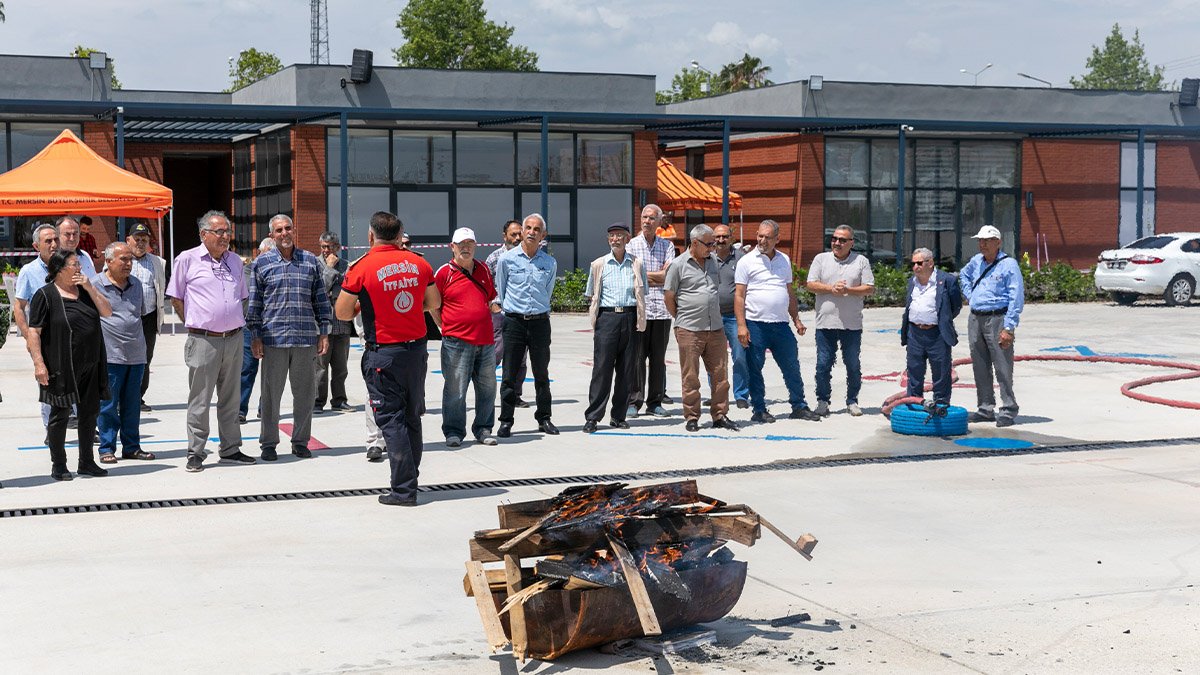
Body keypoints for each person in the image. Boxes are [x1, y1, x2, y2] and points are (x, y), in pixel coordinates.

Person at [336, 211, 439, 506]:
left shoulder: (362, 267)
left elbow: (342, 313)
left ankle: (404, 490)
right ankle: (411, 479)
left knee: (391, 421)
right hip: (416, 350)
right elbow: (433, 303)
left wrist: (364, 308)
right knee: (411, 417)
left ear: (371, 236)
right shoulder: (419, 262)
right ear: (400, 235)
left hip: (384, 353)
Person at [166, 210, 255, 472]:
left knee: (231, 397)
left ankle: (231, 449)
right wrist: (194, 324)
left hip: (234, 339)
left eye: (227, 231)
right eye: (219, 232)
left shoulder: (236, 262)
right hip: (203, 340)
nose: (225, 236)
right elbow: (176, 297)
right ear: (203, 234)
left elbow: (242, 297)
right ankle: (195, 451)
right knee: (200, 399)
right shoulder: (187, 259)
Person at [247, 214, 331, 462]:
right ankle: (269, 443)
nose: (284, 233)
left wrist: (323, 332)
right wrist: (255, 336)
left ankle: (300, 441)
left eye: (288, 228)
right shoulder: (262, 264)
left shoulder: (310, 262)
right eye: (279, 230)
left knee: (305, 394)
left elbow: (321, 300)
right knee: (271, 395)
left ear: (294, 231)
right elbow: (255, 304)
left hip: (305, 338)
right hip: (274, 339)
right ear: (271, 235)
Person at [25, 250, 114, 481]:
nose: (79, 269)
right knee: (60, 415)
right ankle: (59, 465)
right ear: (59, 269)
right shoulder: (45, 295)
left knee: (89, 415)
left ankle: (86, 462)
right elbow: (34, 331)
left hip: (91, 364)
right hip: (61, 366)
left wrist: (90, 288)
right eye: (74, 265)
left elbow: (107, 311)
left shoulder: (85, 292)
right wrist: (39, 364)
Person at [735, 220, 822, 423]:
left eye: (767, 237)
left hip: (781, 325)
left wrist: (796, 319)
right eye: (760, 236)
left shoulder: (784, 259)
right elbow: (739, 295)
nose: (762, 240)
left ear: (777, 239)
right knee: (755, 368)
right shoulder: (746, 262)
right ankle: (759, 409)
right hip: (755, 324)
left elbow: (789, 292)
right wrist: (741, 325)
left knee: (792, 365)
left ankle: (799, 406)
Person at [664, 225, 740, 433]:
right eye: (709, 244)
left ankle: (720, 415)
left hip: (715, 327)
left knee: (720, 375)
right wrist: (681, 318)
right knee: (690, 376)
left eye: (714, 243)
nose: (713, 247)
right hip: (689, 329)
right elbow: (669, 297)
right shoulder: (678, 265)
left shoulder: (713, 261)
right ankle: (692, 416)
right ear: (694, 243)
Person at [431, 227, 499, 447]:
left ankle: (484, 429)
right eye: (461, 244)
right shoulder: (443, 273)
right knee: (455, 389)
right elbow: (432, 305)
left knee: (488, 388)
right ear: (452, 247)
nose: (466, 248)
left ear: (476, 246)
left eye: (470, 244)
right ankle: (453, 431)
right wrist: (443, 326)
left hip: (485, 340)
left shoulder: (484, 269)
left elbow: (490, 298)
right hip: (456, 342)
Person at [493, 213, 558, 438]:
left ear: (543, 235)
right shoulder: (507, 260)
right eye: (528, 228)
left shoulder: (549, 263)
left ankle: (544, 418)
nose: (531, 232)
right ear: (522, 232)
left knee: (541, 373)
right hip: (514, 322)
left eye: (536, 229)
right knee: (509, 374)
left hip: (540, 323)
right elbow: (501, 290)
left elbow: (547, 293)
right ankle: (506, 421)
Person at [582, 222, 647, 434]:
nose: (615, 239)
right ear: (608, 239)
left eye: (620, 235)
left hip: (629, 317)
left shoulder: (637, 264)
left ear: (627, 239)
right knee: (601, 369)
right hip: (607, 318)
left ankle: (618, 416)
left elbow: (642, 292)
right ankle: (593, 416)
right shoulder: (598, 264)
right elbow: (591, 293)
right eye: (612, 236)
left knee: (627, 370)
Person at [93, 243, 155, 463]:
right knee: (108, 405)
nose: (129, 264)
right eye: (124, 260)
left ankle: (131, 447)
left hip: (136, 354)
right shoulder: (95, 286)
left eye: (130, 259)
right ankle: (106, 448)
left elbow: (140, 314)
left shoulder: (136, 284)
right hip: (110, 356)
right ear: (108, 261)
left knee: (132, 404)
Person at [805, 224, 875, 417]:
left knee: (852, 364)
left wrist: (848, 291)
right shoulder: (821, 259)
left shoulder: (861, 261)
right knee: (823, 364)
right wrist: (831, 289)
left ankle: (852, 401)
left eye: (842, 240)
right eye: (834, 238)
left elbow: (869, 288)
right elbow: (810, 284)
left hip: (851, 324)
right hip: (825, 323)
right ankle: (822, 401)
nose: (837, 243)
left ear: (851, 243)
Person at [960, 225, 1026, 427]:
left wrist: (1009, 327)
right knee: (979, 364)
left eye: (987, 241)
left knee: (1002, 365)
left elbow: (1016, 296)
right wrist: (971, 296)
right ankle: (985, 407)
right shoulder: (976, 262)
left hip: (998, 318)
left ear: (998, 242)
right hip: (976, 318)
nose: (983, 244)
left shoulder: (1009, 265)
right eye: (980, 240)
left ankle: (1008, 408)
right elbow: (962, 275)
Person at [625, 204, 675, 419]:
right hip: (639, 310)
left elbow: (669, 277)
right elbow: (631, 276)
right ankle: (634, 401)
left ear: (659, 221)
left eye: (652, 218)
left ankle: (655, 402)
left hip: (662, 311)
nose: (647, 221)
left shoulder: (667, 246)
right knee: (636, 358)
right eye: (644, 217)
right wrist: (656, 276)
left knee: (658, 359)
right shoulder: (631, 246)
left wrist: (645, 276)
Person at [901, 247, 962, 410]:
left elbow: (956, 306)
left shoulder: (947, 280)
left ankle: (941, 404)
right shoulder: (911, 282)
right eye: (913, 264)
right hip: (914, 333)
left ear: (930, 263)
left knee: (941, 372)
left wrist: (942, 320)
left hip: (937, 334)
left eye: (919, 263)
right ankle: (914, 403)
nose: (915, 267)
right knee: (914, 371)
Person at [485, 219, 529, 408]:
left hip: (521, 315)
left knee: (520, 357)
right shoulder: (494, 258)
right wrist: (494, 307)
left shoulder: (528, 256)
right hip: (500, 313)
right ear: (504, 236)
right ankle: (485, 393)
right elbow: (485, 286)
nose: (518, 238)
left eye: (520, 234)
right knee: (496, 353)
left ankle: (514, 395)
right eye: (513, 234)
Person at [126, 223, 166, 413]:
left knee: (145, 358)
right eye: (137, 239)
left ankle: (138, 397)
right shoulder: (122, 259)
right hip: (126, 320)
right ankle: (122, 397)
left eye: (144, 239)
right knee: (124, 358)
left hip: (149, 318)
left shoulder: (158, 262)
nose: (140, 243)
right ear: (128, 240)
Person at [314, 231, 355, 413]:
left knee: (340, 367)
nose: (326, 250)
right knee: (320, 367)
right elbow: (320, 291)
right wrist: (329, 269)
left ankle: (339, 400)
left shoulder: (346, 266)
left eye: (329, 247)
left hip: (341, 323)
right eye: (323, 246)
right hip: (322, 325)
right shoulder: (314, 264)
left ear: (337, 247)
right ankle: (317, 401)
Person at [712, 224, 749, 409]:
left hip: (735, 317)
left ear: (731, 238)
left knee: (740, 356)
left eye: (724, 236)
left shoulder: (742, 258)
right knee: (715, 359)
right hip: (713, 317)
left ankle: (741, 394)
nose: (720, 240)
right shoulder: (707, 258)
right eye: (717, 237)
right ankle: (716, 395)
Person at [239, 238, 275, 424]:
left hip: (271, 326)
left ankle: (265, 409)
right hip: (249, 327)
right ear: (259, 252)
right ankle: (240, 409)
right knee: (247, 369)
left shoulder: (277, 270)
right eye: (266, 253)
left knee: (270, 372)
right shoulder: (245, 271)